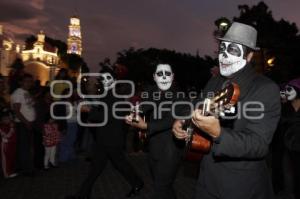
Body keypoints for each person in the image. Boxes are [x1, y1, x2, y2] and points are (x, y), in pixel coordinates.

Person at [173, 22, 281, 199]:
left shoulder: (265, 88)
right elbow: (197, 105)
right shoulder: (215, 81)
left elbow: (258, 145)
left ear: (249, 56)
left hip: (240, 186)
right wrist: (183, 121)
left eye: (232, 49)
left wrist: (218, 133)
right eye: (222, 48)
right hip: (205, 180)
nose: (223, 54)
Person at [65, 67, 143, 199]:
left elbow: (108, 114)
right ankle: (83, 194)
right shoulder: (108, 94)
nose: (105, 81)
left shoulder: (114, 95)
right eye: (103, 78)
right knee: (96, 169)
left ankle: (138, 183)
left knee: (119, 165)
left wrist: (89, 110)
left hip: (111, 139)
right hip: (105, 138)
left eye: (108, 78)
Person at [125, 63, 184, 199]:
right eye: (159, 73)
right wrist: (135, 112)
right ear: (154, 77)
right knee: (164, 187)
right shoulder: (152, 91)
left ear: (173, 76)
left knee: (160, 187)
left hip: (171, 148)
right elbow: (145, 105)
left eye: (167, 73)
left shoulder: (180, 95)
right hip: (153, 146)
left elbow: (171, 119)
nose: (163, 77)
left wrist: (146, 126)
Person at [11, 73, 36, 176]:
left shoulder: (26, 92)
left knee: (27, 146)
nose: (29, 83)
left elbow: (29, 106)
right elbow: (16, 111)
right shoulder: (18, 93)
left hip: (28, 123)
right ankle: (25, 170)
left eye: (30, 81)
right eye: (27, 81)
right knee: (24, 148)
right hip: (23, 124)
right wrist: (26, 122)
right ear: (20, 82)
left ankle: (26, 167)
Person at [0, 108, 17, 178]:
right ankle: (6, 174)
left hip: (10, 144)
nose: (10, 119)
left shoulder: (9, 124)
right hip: (5, 145)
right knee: (5, 159)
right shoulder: (2, 127)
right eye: (8, 118)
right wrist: (11, 128)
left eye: (10, 117)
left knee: (10, 158)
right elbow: (6, 136)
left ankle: (9, 171)